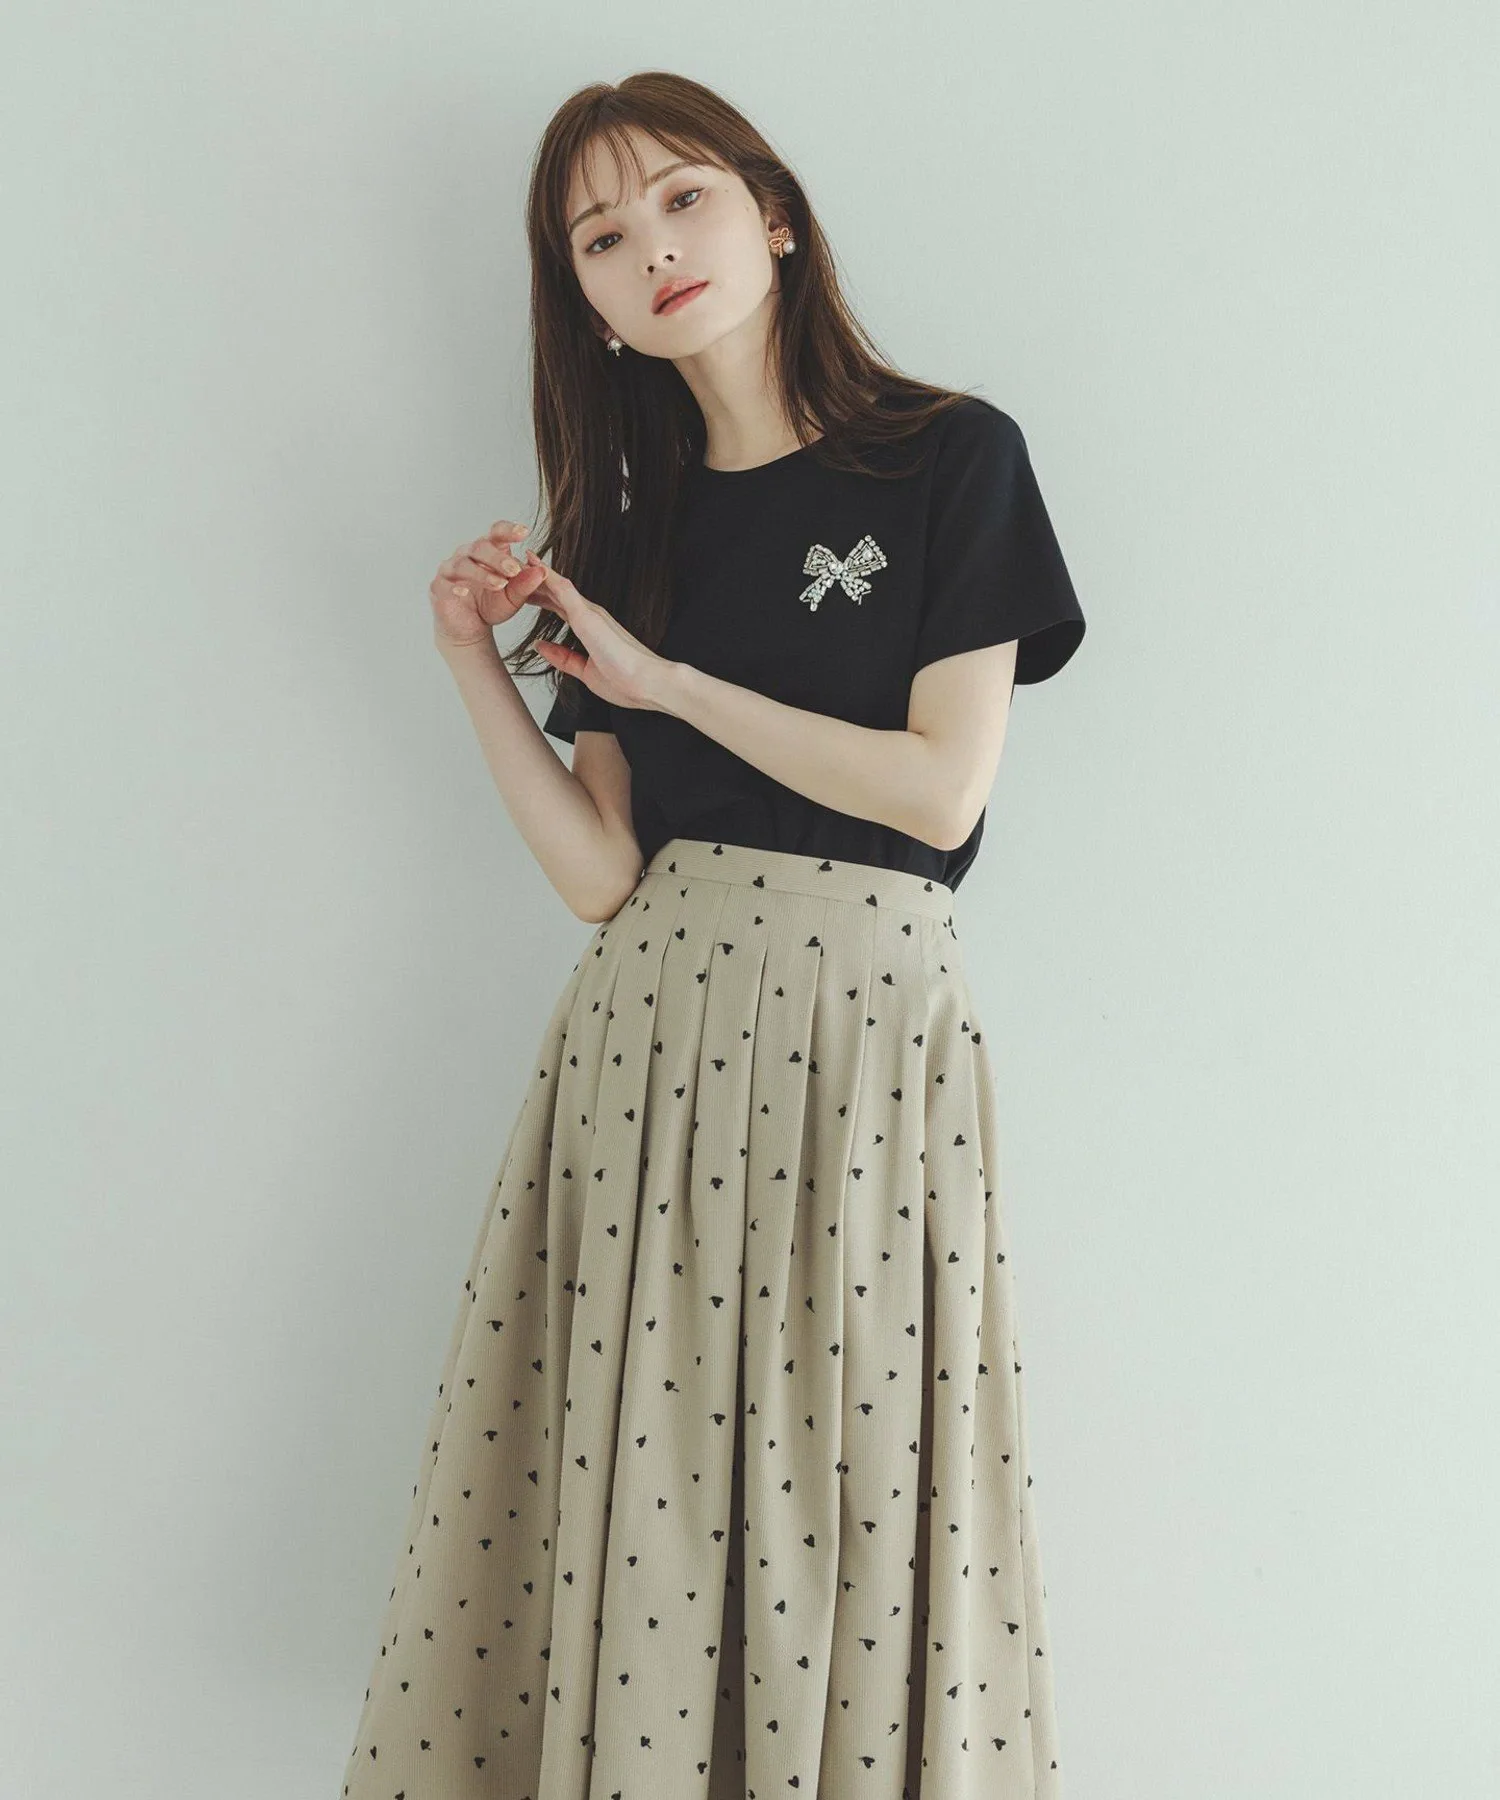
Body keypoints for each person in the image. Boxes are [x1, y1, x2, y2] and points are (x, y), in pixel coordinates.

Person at [339, 71, 1085, 1800]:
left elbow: (939, 795)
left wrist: (668, 682)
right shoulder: (627, 526)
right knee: (652, 1486)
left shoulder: (951, 457)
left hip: (861, 1041)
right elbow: (604, 874)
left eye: (681, 199)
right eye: (601, 237)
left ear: (775, 215)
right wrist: (472, 667)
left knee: (853, 1489)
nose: (652, 248)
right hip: (652, 1044)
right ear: (587, 305)